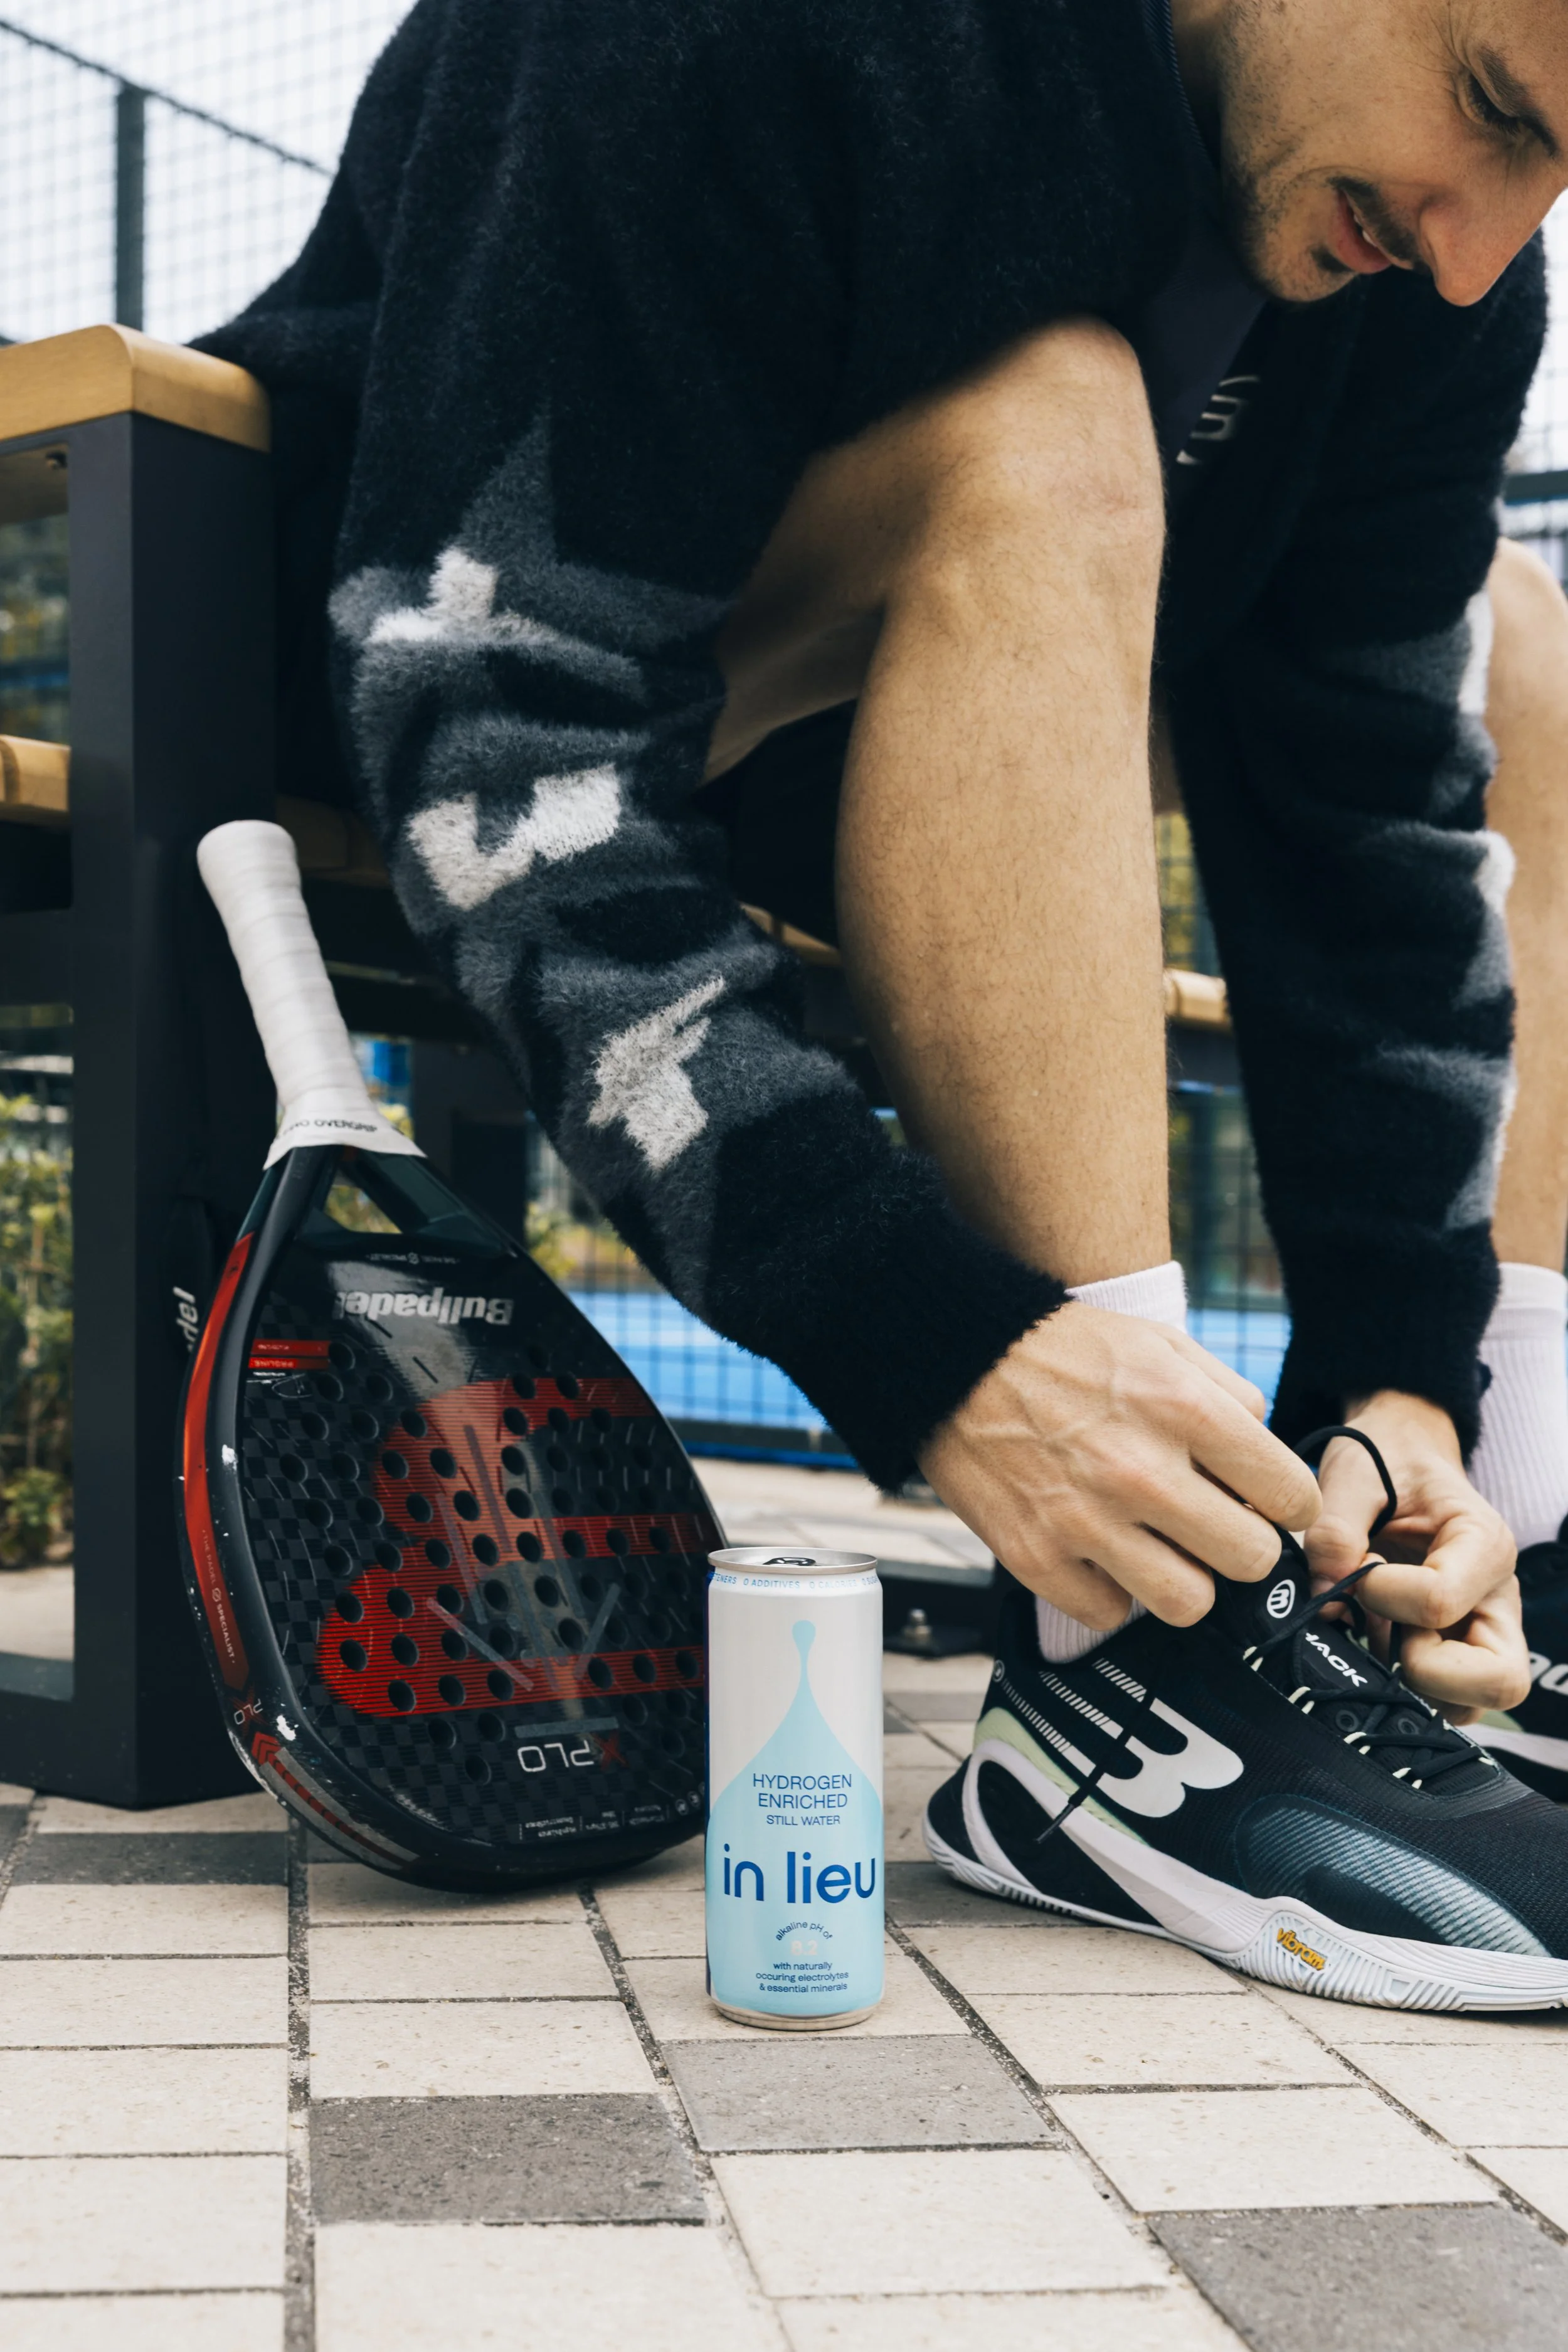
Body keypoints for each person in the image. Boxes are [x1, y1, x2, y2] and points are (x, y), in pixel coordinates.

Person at [205, 0, 1568, 2003]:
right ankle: (1132, 1655)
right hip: (431, 656)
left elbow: (1360, 824)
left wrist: (1399, 1379)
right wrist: (941, 1345)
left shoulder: (1438, 268)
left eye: (1553, 178)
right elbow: (501, 716)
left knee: (1521, 642)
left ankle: (1506, 1541)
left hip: (895, 718)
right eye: (1487, 114)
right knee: (1054, 410)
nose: (1479, 244)